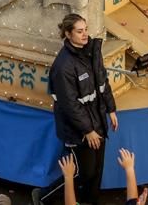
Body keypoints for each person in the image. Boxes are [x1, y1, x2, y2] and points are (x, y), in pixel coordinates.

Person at [47, 13, 118, 205]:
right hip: (79, 129)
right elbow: (70, 105)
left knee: (96, 172)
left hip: (98, 120)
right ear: (68, 34)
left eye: (85, 29)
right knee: (84, 172)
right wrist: (88, 130)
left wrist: (111, 110)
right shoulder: (64, 66)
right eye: (79, 31)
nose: (85, 34)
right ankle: (47, 198)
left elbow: (102, 82)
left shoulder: (92, 51)